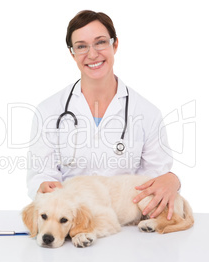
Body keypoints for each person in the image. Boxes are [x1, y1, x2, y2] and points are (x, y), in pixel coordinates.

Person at [27, 10, 180, 220]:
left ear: (115, 45)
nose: (92, 54)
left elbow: (155, 180)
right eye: (81, 46)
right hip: (71, 227)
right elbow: (41, 176)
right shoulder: (48, 111)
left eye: (100, 42)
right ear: (72, 54)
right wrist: (43, 187)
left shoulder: (147, 113)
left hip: (128, 230)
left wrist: (172, 180)